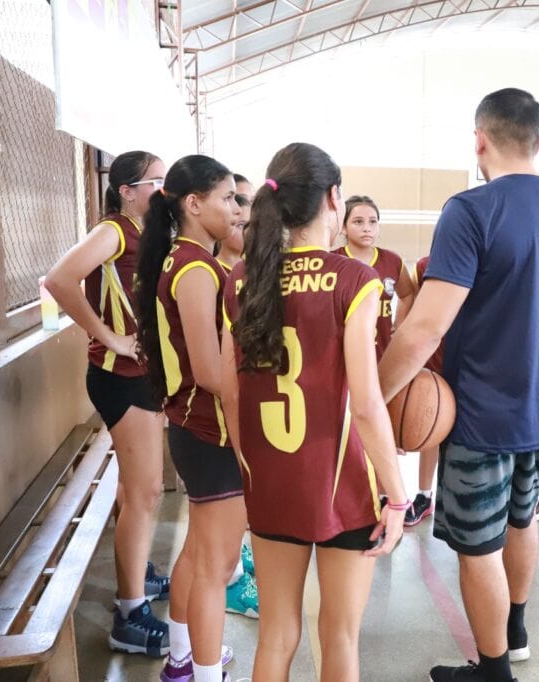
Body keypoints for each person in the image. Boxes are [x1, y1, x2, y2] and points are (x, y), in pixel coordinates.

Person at [378, 88, 539, 682]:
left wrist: (373, 400)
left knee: (479, 549)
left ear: (479, 139)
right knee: (524, 523)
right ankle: (516, 630)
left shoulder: (470, 211)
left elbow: (425, 328)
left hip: (481, 416)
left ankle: (493, 670)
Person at [220, 143, 407, 682]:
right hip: (341, 481)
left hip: (272, 479)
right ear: (332, 199)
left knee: (276, 635)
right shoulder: (355, 279)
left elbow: (232, 391)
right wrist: (397, 494)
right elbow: (368, 404)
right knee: (339, 637)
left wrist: (249, 463)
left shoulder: (240, 279)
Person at [44, 151, 171, 656]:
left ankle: (136, 572)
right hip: (122, 376)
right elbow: (57, 280)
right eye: (155, 182)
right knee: (145, 493)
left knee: (136, 488)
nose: (163, 189)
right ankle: (129, 616)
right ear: (126, 189)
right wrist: (107, 337)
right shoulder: (115, 230)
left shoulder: (142, 232)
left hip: (139, 376)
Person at [134, 155, 244, 682]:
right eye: (228, 197)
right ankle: (205, 672)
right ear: (194, 204)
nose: (236, 208)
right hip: (209, 432)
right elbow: (208, 368)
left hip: (194, 429)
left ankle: (182, 660)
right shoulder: (197, 268)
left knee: (200, 554)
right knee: (217, 568)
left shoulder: (191, 260)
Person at [215, 192, 260, 620]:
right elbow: (221, 375)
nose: (242, 226)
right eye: (238, 221)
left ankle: (235, 566)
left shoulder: (241, 275)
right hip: (214, 417)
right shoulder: (221, 276)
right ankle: (230, 581)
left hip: (229, 411)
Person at [335, 195, 417, 359]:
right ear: (343, 227)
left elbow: (407, 294)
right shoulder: (334, 262)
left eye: (373, 222)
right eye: (358, 222)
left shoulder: (392, 261)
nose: (367, 228)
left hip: (382, 353)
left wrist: (399, 325)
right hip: (343, 354)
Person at [399, 255, 445, 527]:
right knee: (431, 426)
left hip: (476, 359)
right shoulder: (424, 266)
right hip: (436, 356)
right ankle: (424, 495)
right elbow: (416, 312)